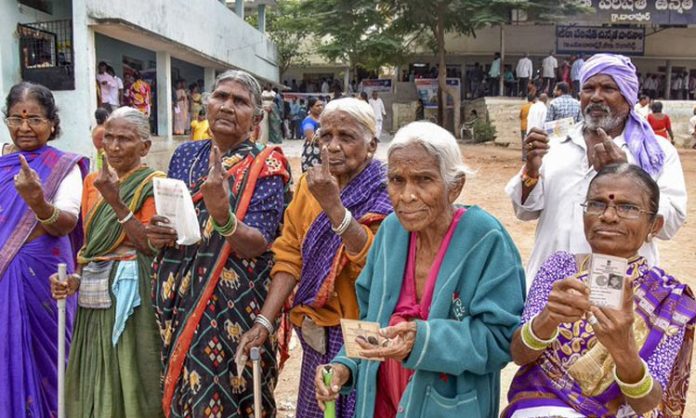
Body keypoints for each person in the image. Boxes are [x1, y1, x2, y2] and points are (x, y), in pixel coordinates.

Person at [315, 121, 526, 418]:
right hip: (382, 403)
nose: (406, 196)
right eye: (397, 180)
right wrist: (343, 366)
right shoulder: (390, 232)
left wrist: (424, 340)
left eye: (424, 180)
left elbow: (499, 339)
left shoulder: (485, 238)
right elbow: (369, 321)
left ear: (455, 186)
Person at [147, 69, 291, 418]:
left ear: (257, 117)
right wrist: (158, 233)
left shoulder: (266, 163)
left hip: (233, 305)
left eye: (239, 101)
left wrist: (222, 215)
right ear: (206, 105)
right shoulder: (185, 156)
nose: (227, 106)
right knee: (185, 392)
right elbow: (176, 220)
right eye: (220, 97)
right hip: (180, 298)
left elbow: (256, 243)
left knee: (233, 393)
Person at [237, 97, 392, 418]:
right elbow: (289, 254)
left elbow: (380, 266)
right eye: (326, 136)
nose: (333, 146)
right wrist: (264, 322)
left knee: (362, 408)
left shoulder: (386, 189)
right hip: (316, 329)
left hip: (369, 328)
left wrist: (335, 208)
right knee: (317, 409)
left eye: (346, 137)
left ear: (371, 145)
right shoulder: (310, 185)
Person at [503, 164, 696, 417]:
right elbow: (519, 355)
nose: (608, 215)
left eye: (627, 207)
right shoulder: (560, 268)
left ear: (655, 225)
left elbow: (647, 404)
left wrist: (624, 350)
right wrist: (547, 319)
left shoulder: (667, 300)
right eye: (596, 204)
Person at [505, 53, 686, 284]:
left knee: (609, 320)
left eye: (608, 88)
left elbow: (670, 224)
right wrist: (530, 171)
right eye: (588, 88)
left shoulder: (656, 152)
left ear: (628, 96)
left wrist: (625, 174)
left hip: (617, 286)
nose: (596, 97)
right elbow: (525, 211)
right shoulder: (555, 144)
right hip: (550, 285)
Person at [50, 107, 164, 418]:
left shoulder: (154, 183)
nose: (113, 146)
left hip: (132, 295)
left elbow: (149, 244)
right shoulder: (92, 182)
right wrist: (73, 280)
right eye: (109, 138)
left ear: (144, 147)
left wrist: (115, 200)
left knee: (130, 370)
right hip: (92, 295)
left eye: (124, 139)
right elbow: (91, 247)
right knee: (94, 372)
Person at [0, 82, 89, 418]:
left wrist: (37, 200)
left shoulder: (63, 166)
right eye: (16, 118)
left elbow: (65, 223)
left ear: (52, 123)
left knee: (49, 361)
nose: (24, 127)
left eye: (35, 119)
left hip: (45, 278)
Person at [301, 96, 325, 172]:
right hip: (312, 152)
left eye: (321, 105)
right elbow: (311, 138)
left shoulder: (322, 119)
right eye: (317, 106)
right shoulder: (308, 121)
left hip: (323, 150)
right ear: (311, 108)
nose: (320, 107)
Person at [519, 94, 535, 161]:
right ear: (534, 99)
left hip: (523, 126)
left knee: (524, 141)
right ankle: (530, 155)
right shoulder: (534, 107)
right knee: (531, 142)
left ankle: (524, 156)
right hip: (531, 126)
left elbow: (520, 116)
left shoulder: (523, 107)